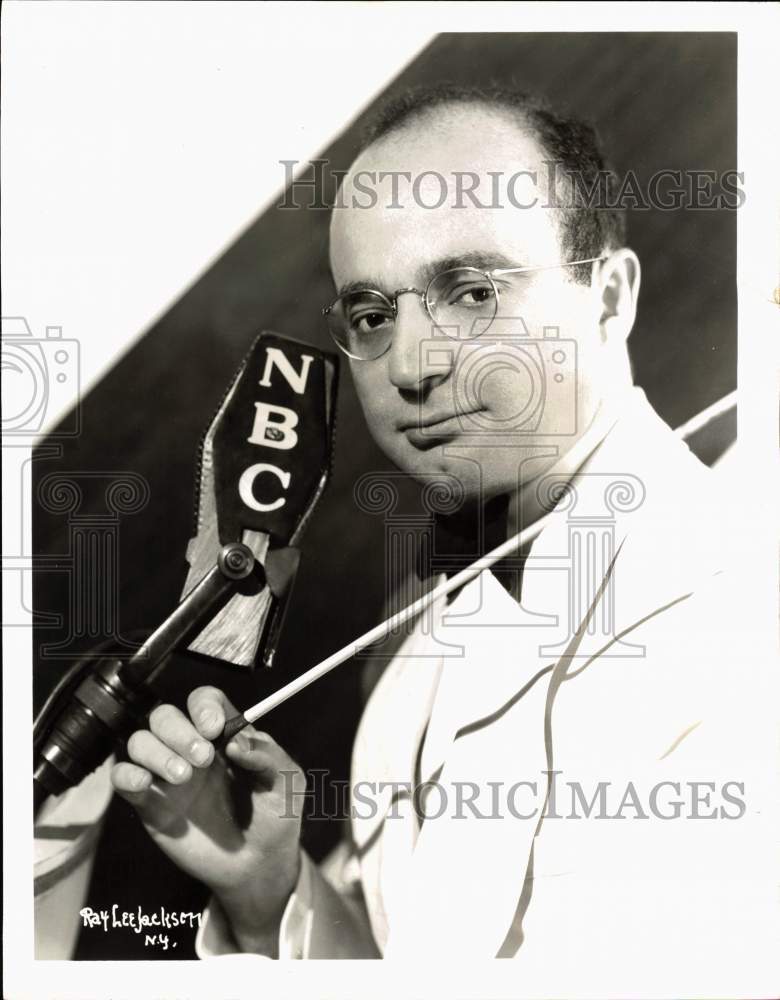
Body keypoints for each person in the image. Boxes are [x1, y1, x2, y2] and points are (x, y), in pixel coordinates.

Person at [110, 84, 776, 989]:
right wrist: (270, 890)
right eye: (375, 315)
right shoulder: (416, 641)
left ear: (609, 298)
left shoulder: (737, 616)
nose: (412, 368)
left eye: (470, 290)